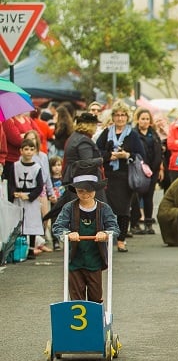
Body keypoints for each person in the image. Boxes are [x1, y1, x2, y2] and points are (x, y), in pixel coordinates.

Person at [52, 165, 119, 302]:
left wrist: (105, 234)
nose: (85, 194)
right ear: (76, 191)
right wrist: (67, 234)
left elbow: (114, 227)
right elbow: (58, 226)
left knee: (95, 296)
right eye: (81, 191)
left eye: (89, 190)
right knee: (76, 296)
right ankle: (76, 321)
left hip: (94, 260)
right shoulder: (69, 207)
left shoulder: (103, 208)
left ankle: (95, 321)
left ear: (95, 190)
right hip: (74, 260)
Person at [96, 100, 145, 253]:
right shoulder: (106, 133)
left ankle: (121, 239)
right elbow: (97, 152)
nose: (120, 118)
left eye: (123, 115)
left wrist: (127, 155)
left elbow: (141, 155)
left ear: (127, 117)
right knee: (107, 208)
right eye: (117, 115)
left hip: (125, 175)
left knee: (124, 209)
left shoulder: (132, 135)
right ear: (113, 117)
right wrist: (110, 156)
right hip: (109, 175)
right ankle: (108, 237)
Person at [7, 139, 45, 259]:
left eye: (31, 149)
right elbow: (11, 182)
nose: (28, 152)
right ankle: (18, 247)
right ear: (21, 151)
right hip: (19, 197)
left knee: (32, 222)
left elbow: (39, 186)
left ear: (34, 151)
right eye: (26, 149)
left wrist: (29, 196)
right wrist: (14, 193)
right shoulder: (16, 166)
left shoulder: (37, 167)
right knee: (19, 222)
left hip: (30, 198)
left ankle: (31, 249)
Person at [130, 108, 163, 235]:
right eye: (142, 118)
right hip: (138, 169)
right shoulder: (133, 133)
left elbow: (159, 151)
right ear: (137, 120)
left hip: (152, 170)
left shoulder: (153, 134)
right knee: (136, 197)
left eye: (147, 119)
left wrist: (157, 167)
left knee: (149, 197)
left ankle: (148, 223)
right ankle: (135, 223)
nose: (145, 121)